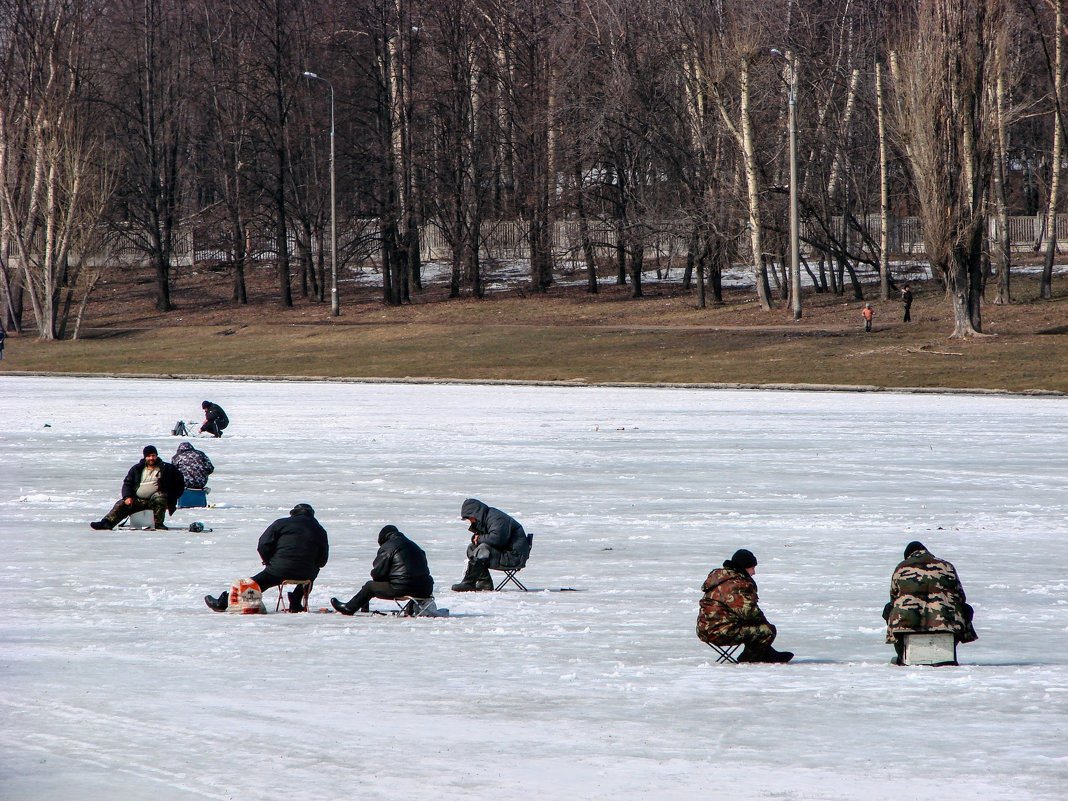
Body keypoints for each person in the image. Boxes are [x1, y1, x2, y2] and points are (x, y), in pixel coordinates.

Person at [205, 503, 329, 613]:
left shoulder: (281, 523)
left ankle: (224, 603)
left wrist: (268, 561)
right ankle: (296, 602)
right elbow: (322, 560)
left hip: (278, 570)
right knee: (312, 572)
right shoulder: (320, 530)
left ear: (293, 514)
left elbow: (263, 543)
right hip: (306, 574)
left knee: (254, 584)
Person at [883, 541, 976, 665]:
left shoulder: (901, 567)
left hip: (907, 624)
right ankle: (948, 649)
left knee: (889, 609)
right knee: (966, 609)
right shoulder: (946, 566)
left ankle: (902, 652)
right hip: (945, 623)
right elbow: (960, 597)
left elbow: (893, 598)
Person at [696, 548, 793, 663]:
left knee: (754, 627)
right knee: (767, 630)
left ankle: (767, 652)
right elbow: (750, 613)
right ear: (744, 567)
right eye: (752, 568)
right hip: (720, 632)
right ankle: (751, 658)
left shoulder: (722, 579)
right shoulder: (738, 584)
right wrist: (765, 623)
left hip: (705, 629)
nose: (754, 572)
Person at [330, 525, 434, 614]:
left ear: (383, 539)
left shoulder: (388, 546)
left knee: (369, 586)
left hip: (402, 588)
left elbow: (378, 574)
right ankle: (410, 609)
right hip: (425, 589)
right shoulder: (414, 545)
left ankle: (348, 608)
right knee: (415, 580)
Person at [90, 445, 186, 531]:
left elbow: (180, 484)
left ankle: (158, 523)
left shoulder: (167, 468)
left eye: (153, 455)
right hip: (139, 500)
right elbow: (127, 483)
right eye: (148, 456)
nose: (151, 458)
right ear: (145, 457)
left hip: (156, 501)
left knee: (160, 496)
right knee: (121, 504)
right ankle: (107, 523)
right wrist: (127, 497)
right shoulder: (137, 469)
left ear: (156, 456)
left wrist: (170, 499)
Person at [451, 498, 529, 592]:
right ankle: (484, 581)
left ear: (475, 514)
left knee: (483, 548)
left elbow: (498, 540)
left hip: (514, 557)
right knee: (471, 548)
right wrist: (476, 538)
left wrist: (479, 538)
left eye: (469, 518)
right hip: (506, 552)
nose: (470, 521)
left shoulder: (496, 518)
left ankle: (469, 582)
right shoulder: (486, 518)